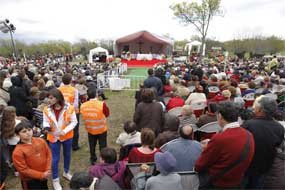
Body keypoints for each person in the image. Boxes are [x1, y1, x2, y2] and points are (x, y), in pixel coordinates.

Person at [195, 101, 255, 189]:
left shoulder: (219, 138)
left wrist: (208, 147)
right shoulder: (249, 135)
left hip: (219, 184)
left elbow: (199, 166)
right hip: (238, 181)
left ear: (220, 116)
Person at [242, 96, 285, 189]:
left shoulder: (248, 124)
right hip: (265, 167)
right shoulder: (280, 128)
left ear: (260, 110)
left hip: (248, 166)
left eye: (255, 107)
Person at [43, 88, 77, 190]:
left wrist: (64, 131)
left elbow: (74, 122)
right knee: (55, 159)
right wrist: (46, 126)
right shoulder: (46, 109)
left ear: (58, 98)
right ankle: (55, 179)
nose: (49, 100)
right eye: (48, 98)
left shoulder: (69, 108)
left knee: (67, 154)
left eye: (51, 98)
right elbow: (45, 121)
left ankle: (66, 172)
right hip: (53, 136)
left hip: (67, 136)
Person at [12, 121, 52, 190]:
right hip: (30, 180)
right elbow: (24, 170)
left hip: (44, 175)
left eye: (29, 130)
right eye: (24, 131)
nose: (28, 133)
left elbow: (48, 154)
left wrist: (47, 170)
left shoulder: (41, 141)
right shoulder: (18, 152)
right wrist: (41, 175)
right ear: (17, 135)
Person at [80, 88, 110, 165]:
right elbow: (107, 114)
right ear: (96, 94)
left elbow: (83, 115)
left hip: (90, 129)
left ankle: (93, 158)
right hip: (101, 129)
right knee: (103, 145)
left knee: (92, 145)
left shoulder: (83, 105)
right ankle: (104, 159)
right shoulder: (102, 104)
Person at [58, 73, 80, 151]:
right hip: (72, 111)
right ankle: (74, 145)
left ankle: (64, 142)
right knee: (74, 128)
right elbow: (76, 104)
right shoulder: (74, 90)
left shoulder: (58, 89)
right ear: (71, 81)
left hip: (61, 111)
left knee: (63, 126)